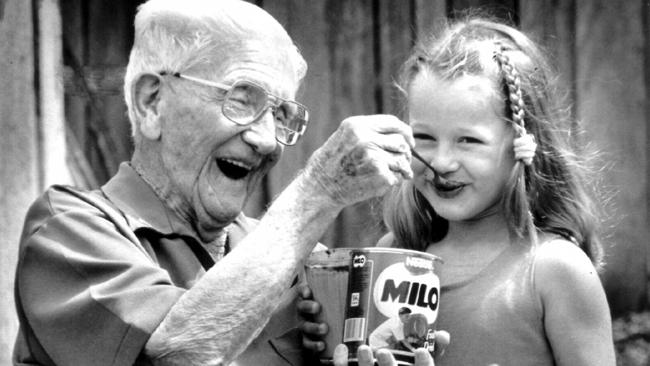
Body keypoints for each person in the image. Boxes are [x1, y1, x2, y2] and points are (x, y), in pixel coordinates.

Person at [12, 0, 417, 365]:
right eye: (242, 98)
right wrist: (319, 191)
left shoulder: (297, 257)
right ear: (151, 102)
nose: (266, 140)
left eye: (280, 115)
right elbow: (180, 354)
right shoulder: (67, 230)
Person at [299, 16, 616, 366]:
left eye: (468, 140)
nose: (442, 161)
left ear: (522, 144)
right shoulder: (395, 253)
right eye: (424, 138)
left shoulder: (555, 268)